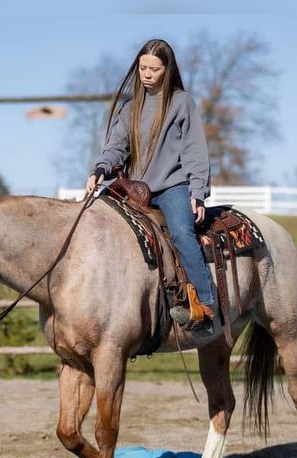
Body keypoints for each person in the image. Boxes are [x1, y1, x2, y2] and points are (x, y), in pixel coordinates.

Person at [85, 38, 216, 335]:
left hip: (172, 186)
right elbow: (116, 147)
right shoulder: (131, 107)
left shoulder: (182, 102)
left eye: (154, 69)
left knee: (182, 233)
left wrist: (197, 193)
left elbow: (195, 151)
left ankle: (206, 306)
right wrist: (100, 170)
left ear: (167, 71)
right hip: (134, 188)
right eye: (143, 68)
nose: (146, 74)